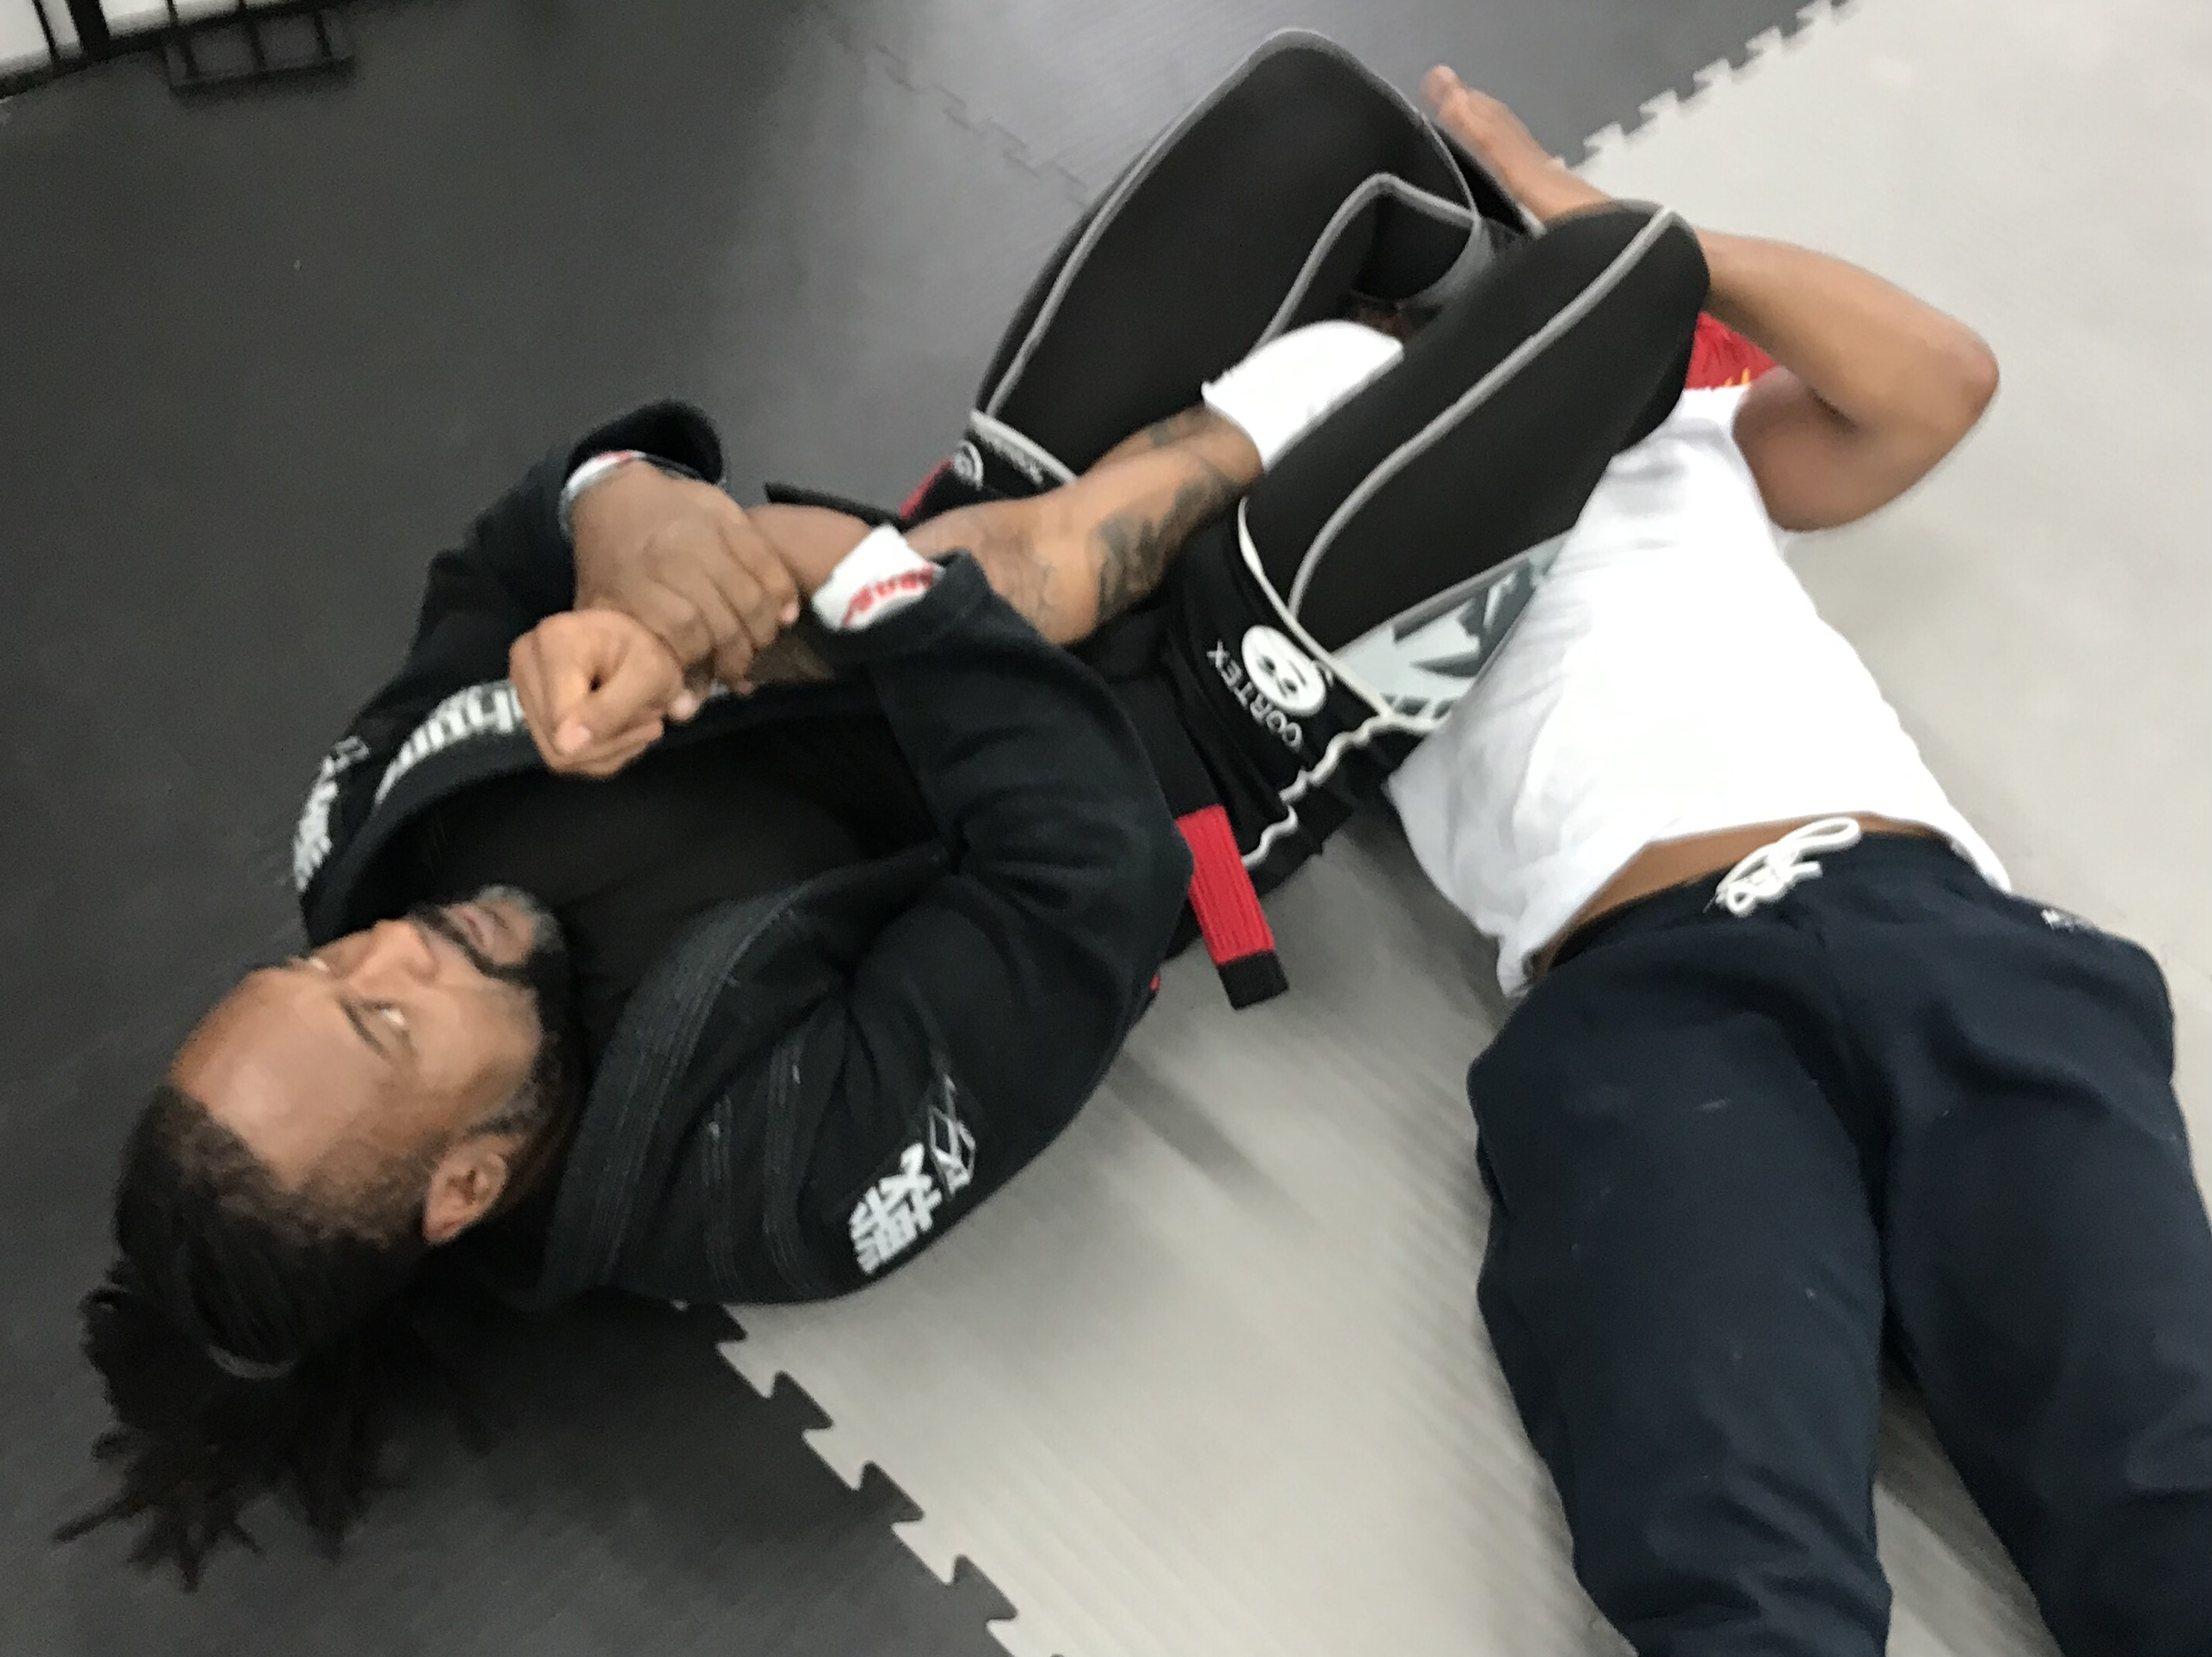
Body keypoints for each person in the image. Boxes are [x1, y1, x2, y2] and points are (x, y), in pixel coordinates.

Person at [64, 34, 1709, 1583]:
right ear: (466, 1188)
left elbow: (498, 563)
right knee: (1626, 274)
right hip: (1205, 715)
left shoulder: (373, 833)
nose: (386, 949)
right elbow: (1082, 880)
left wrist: (629, 516)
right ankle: (1476, 384)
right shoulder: (761, 1186)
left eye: (319, 966)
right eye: (381, 1022)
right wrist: (906, 580)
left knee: (1316, 117)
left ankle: (1429, 339)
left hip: (963, 549)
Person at [1387, 70, 2212, 1657]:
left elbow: (1940, 383)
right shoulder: (1308, 495)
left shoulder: (1687, 432)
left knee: (2175, 1492)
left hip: (1957, 941)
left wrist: (1631, 246)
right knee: (1737, 1573)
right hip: (1650, 1001)